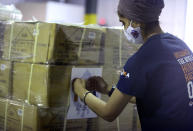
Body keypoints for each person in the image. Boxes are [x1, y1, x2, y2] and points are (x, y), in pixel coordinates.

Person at [72, 0, 193, 130]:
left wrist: (79, 89)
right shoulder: (181, 46)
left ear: (135, 21)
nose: (124, 29)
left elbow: (108, 113)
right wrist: (107, 89)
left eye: (123, 22)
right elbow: (155, 97)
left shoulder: (141, 59)